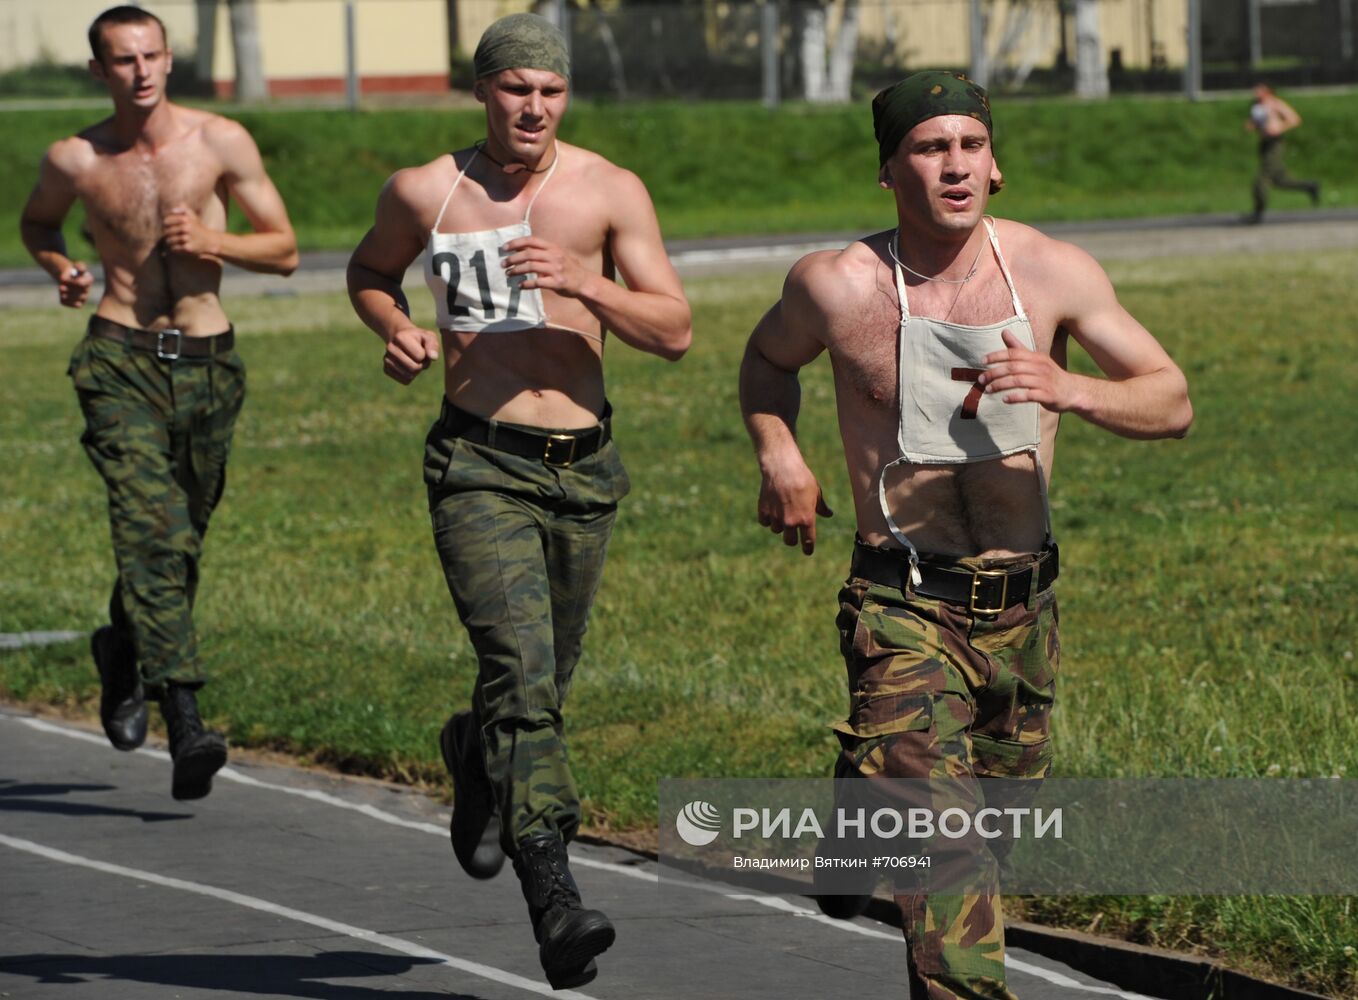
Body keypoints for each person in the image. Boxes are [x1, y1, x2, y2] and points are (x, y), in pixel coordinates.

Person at [739, 71, 1192, 1000]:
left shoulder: (1054, 271)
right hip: (901, 603)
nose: (955, 166)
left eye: (971, 146)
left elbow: (1172, 399)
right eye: (930, 147)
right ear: (888, 169)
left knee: (995, 827)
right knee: (950, 862)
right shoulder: (836, 284)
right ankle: (888, 790)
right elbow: (765, 361)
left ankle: (860, 802)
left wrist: (1072, 387)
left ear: (997, 166)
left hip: (1023, 614)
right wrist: (778, 451)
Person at [346, 13, 691, 990]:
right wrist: (398, 326)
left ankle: (472, 750)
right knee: (523, 674)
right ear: (481, 91)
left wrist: (587, 282)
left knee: (536, 683)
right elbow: (370, 271)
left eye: (548, 89)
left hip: (584, 469)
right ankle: (553, 891)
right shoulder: (426, 190)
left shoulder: (608, 190)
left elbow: (673, 329)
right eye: (513, 89)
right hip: (476, 462)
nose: (532, 106)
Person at [19, 6, 298, 801]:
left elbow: (283, 249)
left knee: (176, 544)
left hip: (209, 367)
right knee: (150, 529)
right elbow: (38, 222)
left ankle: (121, 651)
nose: (140, 71)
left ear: (169, 60)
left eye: (151, 56)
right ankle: (186, 714)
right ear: (99, 71)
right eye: (122, 59)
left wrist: (219, 244)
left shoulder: (221, 142)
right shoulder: (75, 157)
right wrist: (60, 266)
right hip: (118, 359)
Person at [1245, 83, 1320, 224]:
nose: (1256, 92)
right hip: (1264, 143)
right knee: (1280, 181)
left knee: (1261, 179)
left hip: (1275, 143)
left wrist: (1279, 128)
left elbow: (1294, 119)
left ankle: (1258, 212)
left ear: (1267, 91)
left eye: (1259, 89)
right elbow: (1258, 121)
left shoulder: (1275, 103)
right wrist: (1252, 125)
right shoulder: (1255, 105)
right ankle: (1310, 186)